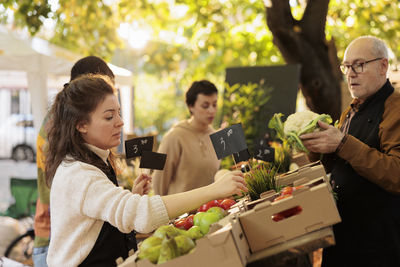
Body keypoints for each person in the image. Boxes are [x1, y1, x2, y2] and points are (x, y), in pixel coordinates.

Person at [45, 74, 246, 266]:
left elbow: (97, 219)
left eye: (119, 113)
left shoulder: (94, 161)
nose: (120, 122)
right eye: (109, 117)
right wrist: (215, 189)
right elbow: (143, 214)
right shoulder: (79, 173)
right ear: (81, 125)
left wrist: (131, 199)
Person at [300, 36, 400, 267]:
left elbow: (396, 174)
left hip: (379, 244)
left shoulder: (395, 108)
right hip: (344, 236)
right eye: (346, 67)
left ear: (383, 66)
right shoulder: (351, 110)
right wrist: (315, 150)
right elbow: (337, 166)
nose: (351, 73)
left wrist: (343, 143)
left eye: (359, 65)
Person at [32, 56, 121, 267]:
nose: (119, 121)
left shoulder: (81, 142)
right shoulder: (65, 146)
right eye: (108, 114)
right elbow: (76, 191)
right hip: (56, 237)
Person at [153, 80, 221, 195]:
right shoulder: (174, 136)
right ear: (191, 106)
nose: (212, 110)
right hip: (180, 211)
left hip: (210, 209)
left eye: (214, 104)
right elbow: (159, 181)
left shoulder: (216, 137)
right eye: (205, 106)